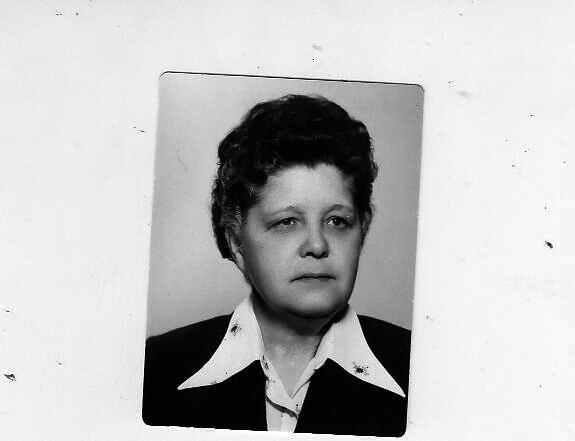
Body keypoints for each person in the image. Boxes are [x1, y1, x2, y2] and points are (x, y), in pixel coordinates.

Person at [142, 94, 411, 436]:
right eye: (287, 222)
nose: (317, 245)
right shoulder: (155, 368)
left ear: (363, 230)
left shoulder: (419, 366)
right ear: (236, 241)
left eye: (337, 221)